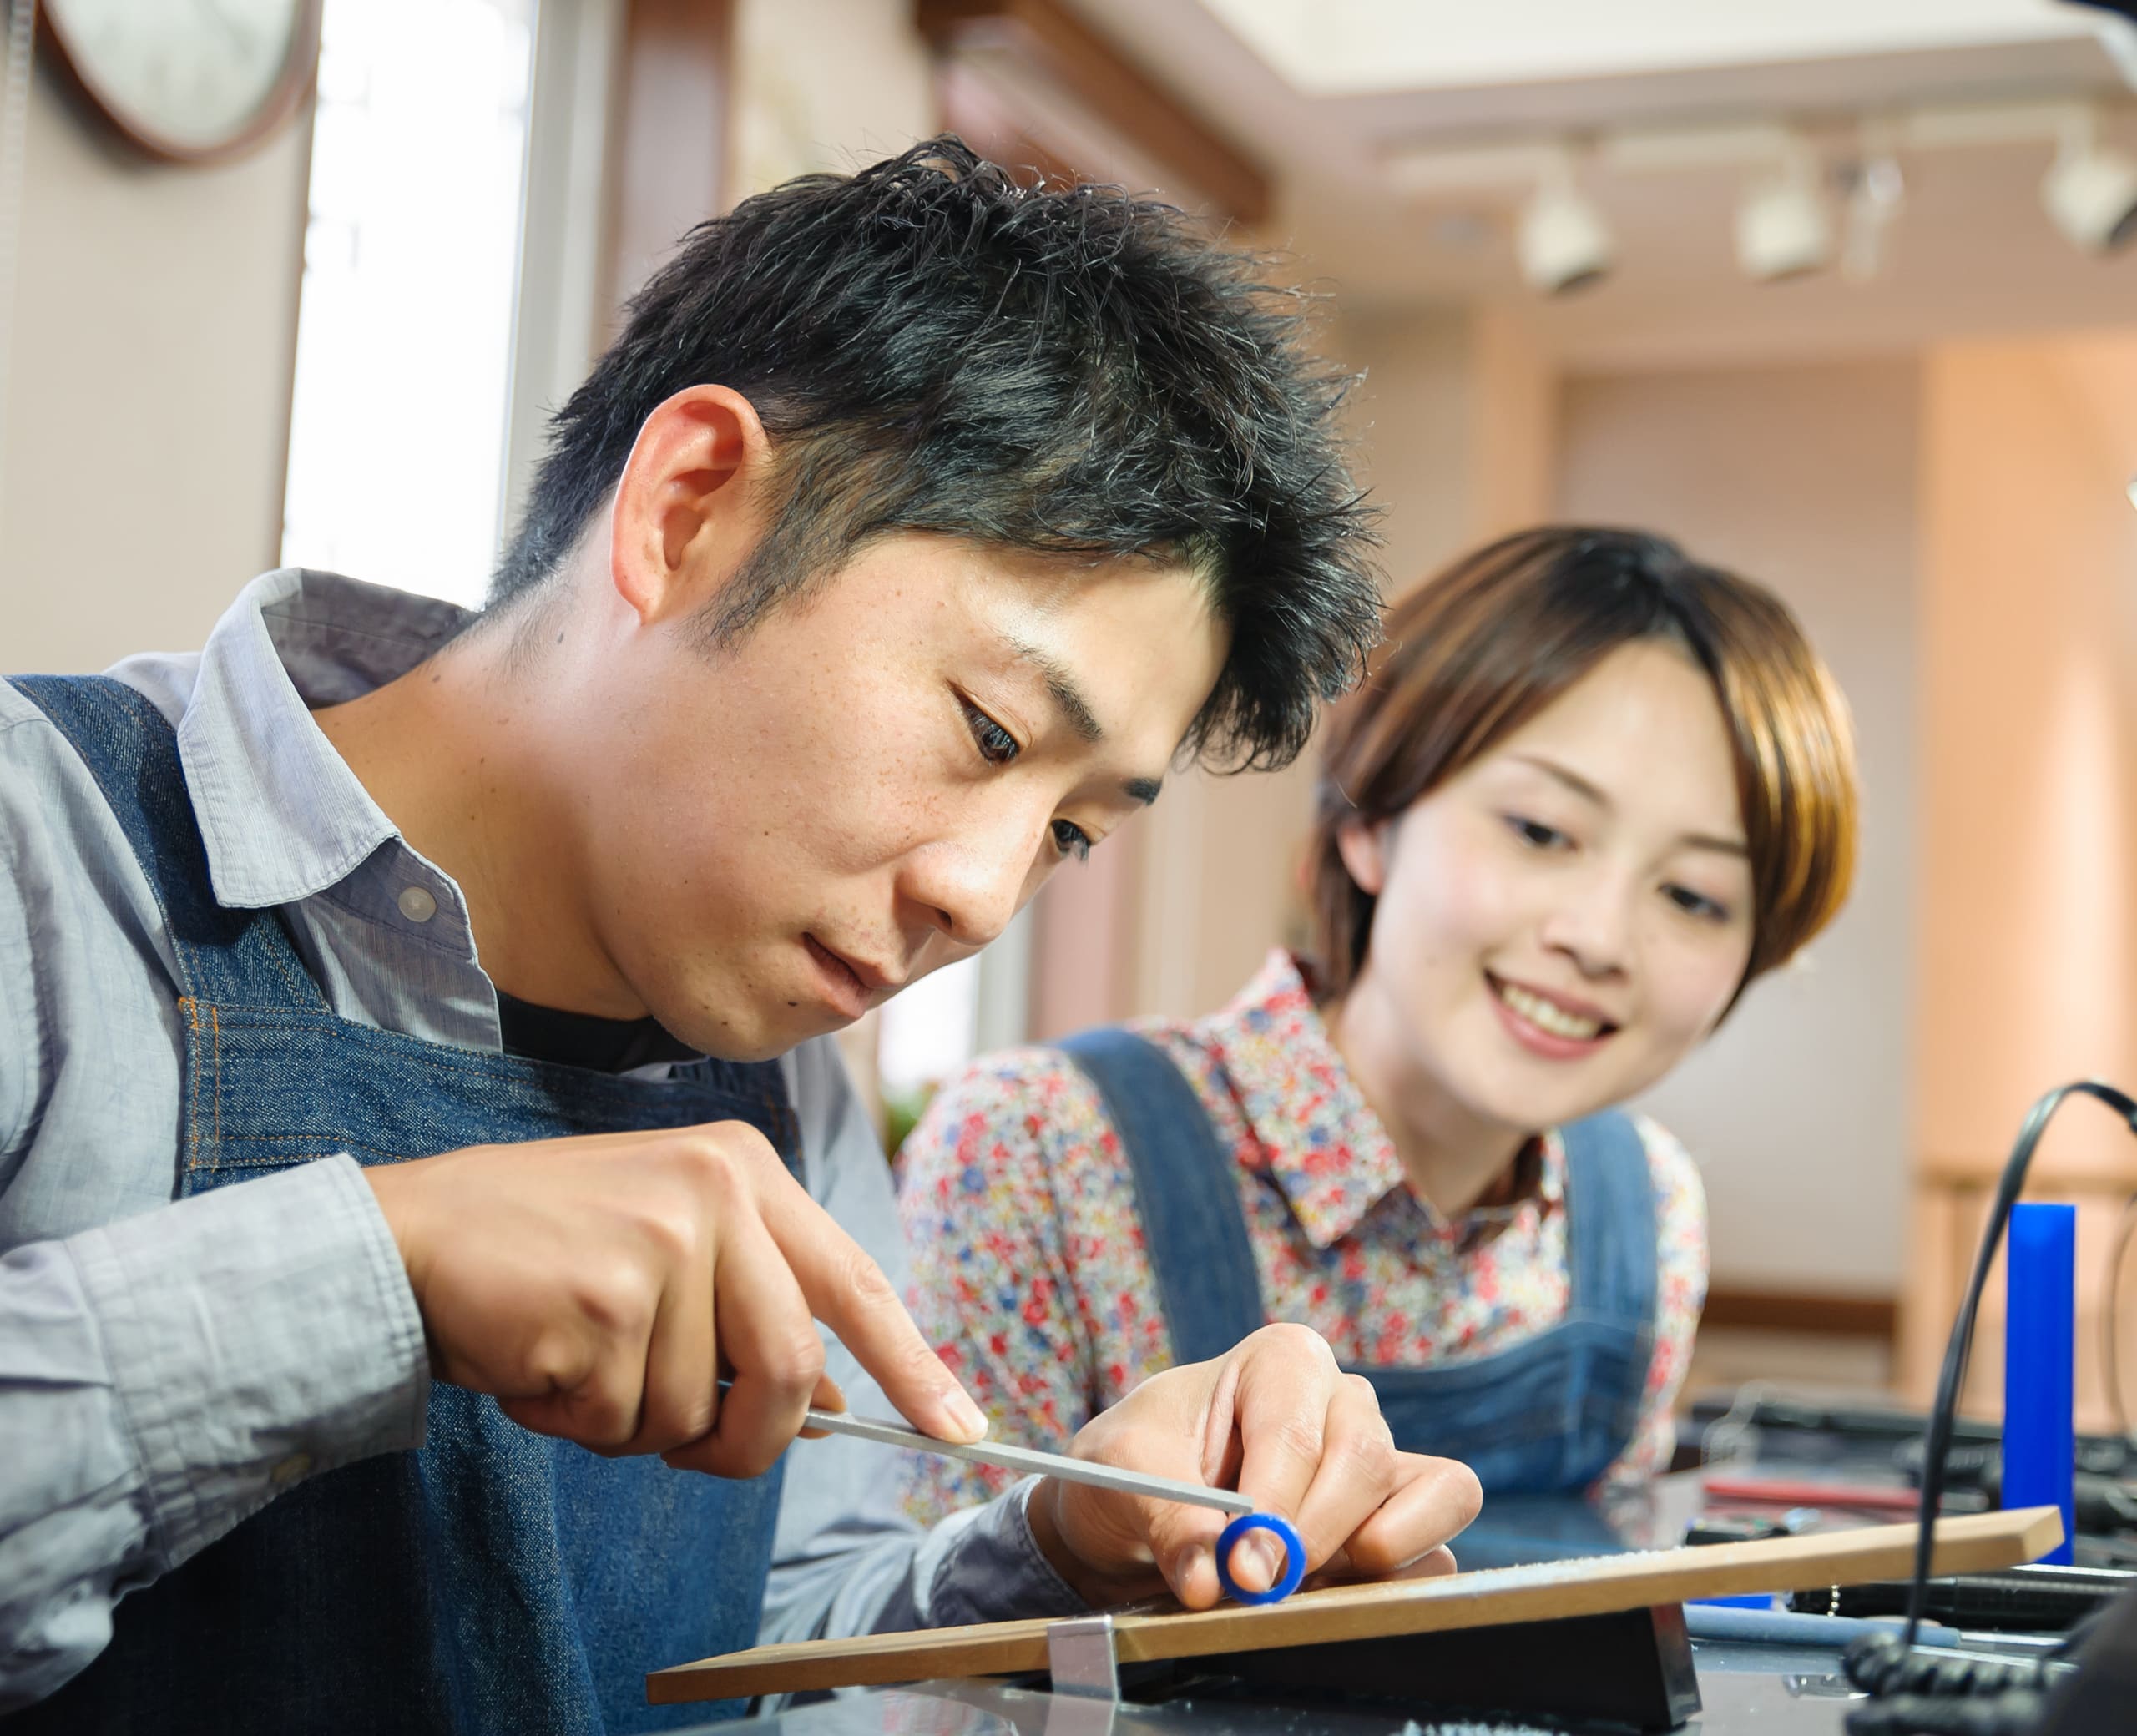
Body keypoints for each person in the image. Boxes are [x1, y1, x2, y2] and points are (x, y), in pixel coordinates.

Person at [0, 141, 1483, 1733]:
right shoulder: (43, 847)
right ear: (688, 508)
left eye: (1068, 832)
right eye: (989, 731)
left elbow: (760, 1644)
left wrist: (1065, 1548)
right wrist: (374, 1279)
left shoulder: (787, 1083)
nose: (984, 900)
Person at [898, 526, 1860, 1530]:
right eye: (1541, 831)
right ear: (1367, 821)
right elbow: (919, 1608)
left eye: (1694, 895)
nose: (1599, 938)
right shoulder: (1043, 1149)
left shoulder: (1645, 1211)